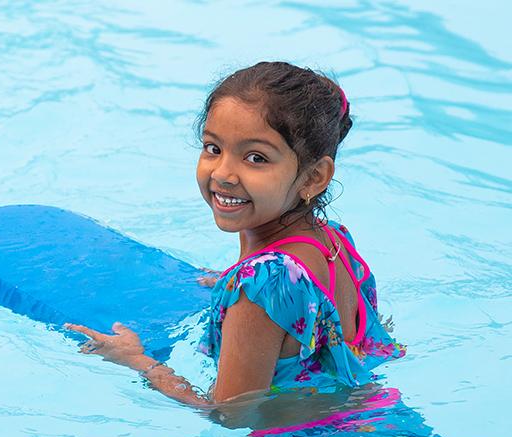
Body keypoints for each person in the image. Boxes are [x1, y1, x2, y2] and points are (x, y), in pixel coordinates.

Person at [65, 61, 405, 406]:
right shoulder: (333, 239)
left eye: (256, 157)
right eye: (213, 148)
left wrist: (137, 360)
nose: (224, 173)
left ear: (314, 178)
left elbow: (228, 415)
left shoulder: (261, 284)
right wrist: (237, 283)